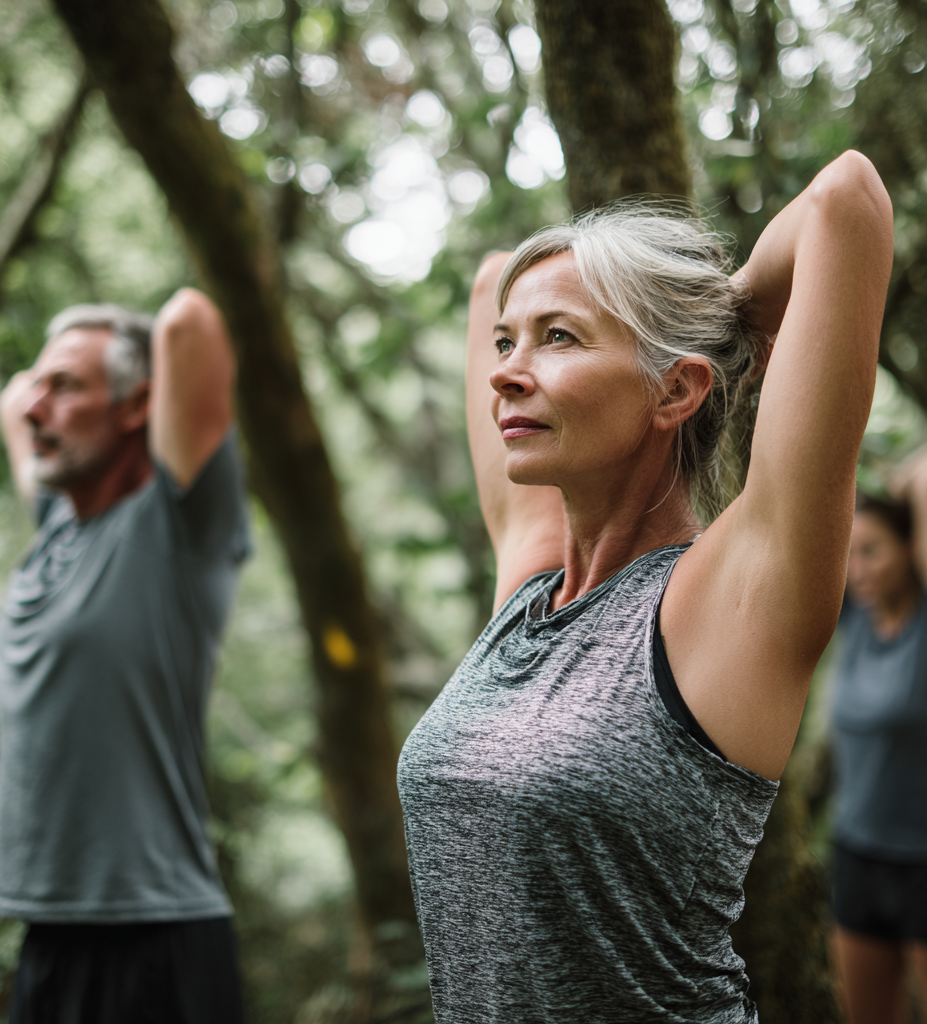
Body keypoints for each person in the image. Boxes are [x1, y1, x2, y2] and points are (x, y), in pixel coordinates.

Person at [396, 150, 894, 1022]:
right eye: (511, 344)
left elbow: (845, 199)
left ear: (676, 391)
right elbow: (489, 286)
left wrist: (703, 321)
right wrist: (604, 324)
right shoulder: (532, 586)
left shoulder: (730, 603)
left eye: (559, 338)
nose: (506, 369)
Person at [0, 290, 250, 1024]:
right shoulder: (55, 526)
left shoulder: (178, 529)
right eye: (39, 385)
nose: (36, 406)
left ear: (137, 406)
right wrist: (64, 366)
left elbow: (192, 318)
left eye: (66, 387)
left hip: (157, 940)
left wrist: (112, 353)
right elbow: (17, 402)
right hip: (48, 936)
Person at [831, 483, 927, 1023]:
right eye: (850, 553)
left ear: (911, 548)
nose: (858, 569)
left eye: (872, 551)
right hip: (858, 857)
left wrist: (908, 489)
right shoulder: (852, 617)